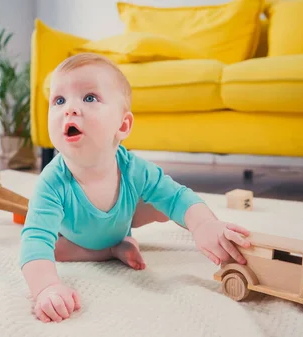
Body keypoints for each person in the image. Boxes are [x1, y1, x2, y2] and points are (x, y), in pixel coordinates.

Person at [20, 53, 251, 323]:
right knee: (50, 249)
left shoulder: (134, 169)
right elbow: (34, 241)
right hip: (72, 239)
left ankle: (121, 241)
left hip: (123, 218)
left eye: (89, 98)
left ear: (123, 125)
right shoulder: (52, 182)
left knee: (166, 204)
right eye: (59, 100)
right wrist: (47, 288)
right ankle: (113, 250)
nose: (69, 108)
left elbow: (177, 196)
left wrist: (203, 225)